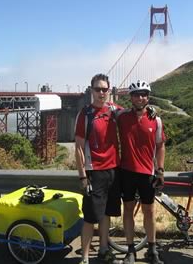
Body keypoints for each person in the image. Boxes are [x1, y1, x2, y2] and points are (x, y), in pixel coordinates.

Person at [116, 80, 166, 264]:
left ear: (148, 97)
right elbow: (106, 108)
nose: (140, 97)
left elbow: (160, 146)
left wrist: (160, 170)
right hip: (126, 171)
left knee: (149, 211)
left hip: (147, 172)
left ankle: (152, 251)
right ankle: (130, 251)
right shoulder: (121, 117)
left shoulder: (156, 119)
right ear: (131, 97)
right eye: (136, 94)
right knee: (128, 210)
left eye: (144, 94)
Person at [75, 73, 122, 264]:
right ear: (91, 91)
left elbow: (135, 115)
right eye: (97, 89)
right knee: (90, 217)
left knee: (106, 213)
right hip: (94, 171)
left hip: (114, 170)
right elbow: (78, 147)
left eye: (104, 89)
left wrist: (150, 109)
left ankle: (103, 250)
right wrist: (82, 177)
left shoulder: (114, 110)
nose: (101, 92)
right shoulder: (85, 114)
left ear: (109, 91)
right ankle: (85, 258)